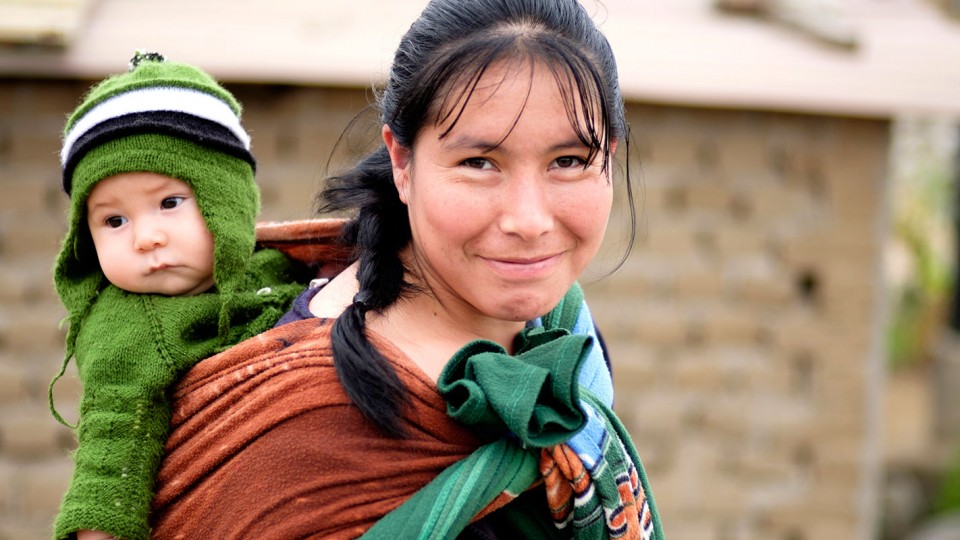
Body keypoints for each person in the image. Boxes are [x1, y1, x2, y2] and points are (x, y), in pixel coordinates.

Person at [150, 0, 666, 538]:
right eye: (479, 164)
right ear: (402, 161)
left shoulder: (558, 330)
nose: (530, 221)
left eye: (569, 161)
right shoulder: (302, 429)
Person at [48, 52, 312, 540]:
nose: (144, 237)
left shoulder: (279, 264)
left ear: (226, 200)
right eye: (114, 220)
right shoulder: (128, 330)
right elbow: (110, 455)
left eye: (169, 203)